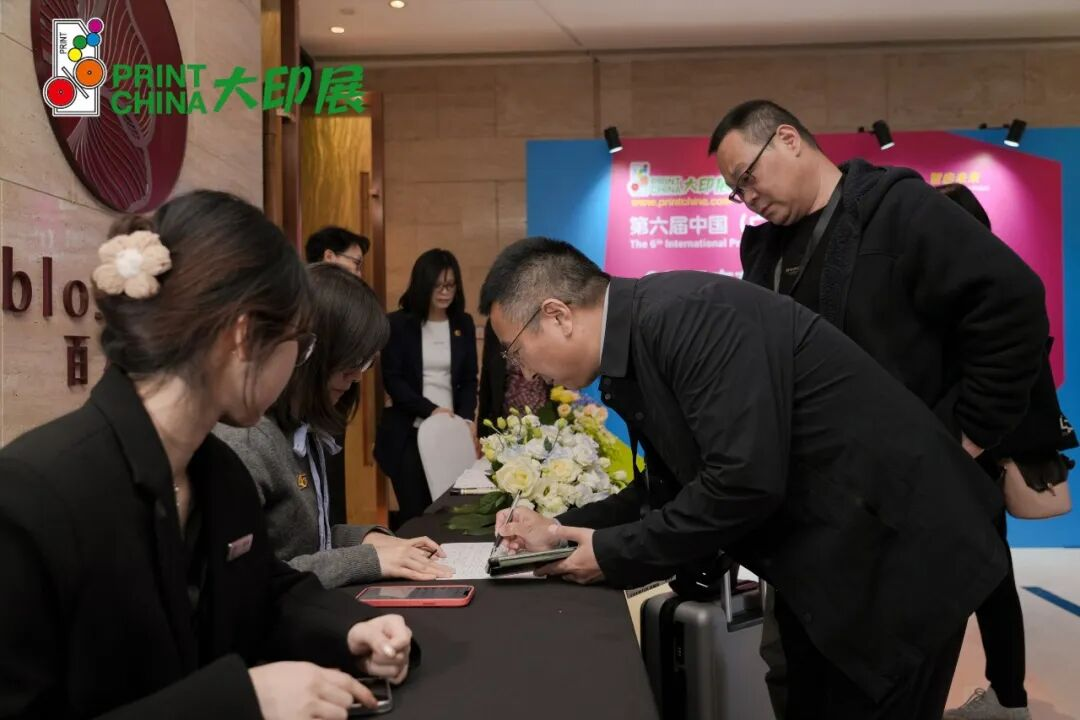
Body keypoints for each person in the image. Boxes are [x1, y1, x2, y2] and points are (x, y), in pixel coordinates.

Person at [483, 237, 1010, 720]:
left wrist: (609, 552)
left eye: (514, 351)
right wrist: (558, 529)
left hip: (899, 554)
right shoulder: (642, 338)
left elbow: (741, 483)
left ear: (557, 315)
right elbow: (668, 487)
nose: (523, 372)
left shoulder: (689, 316)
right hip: (833, 560)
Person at [0, 191, 414, 719]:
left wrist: (350, 635)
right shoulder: (32, 496)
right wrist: (242, 700)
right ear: (244, 336)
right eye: (298, 343)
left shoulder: (220, 474)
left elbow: (264, 597)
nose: (298, 363)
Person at [708, 100, 1050, 719]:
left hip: (908, 525)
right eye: (736, 191)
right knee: (799, 685)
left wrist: (961, 440)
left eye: (748, 177)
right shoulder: (764, 252)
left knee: (884, 695)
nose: (747, 197)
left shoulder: (900, 211)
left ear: (788, 139)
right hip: (815, 530)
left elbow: (1015, 304)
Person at [215, 263, 454, 587]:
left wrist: (370, 539)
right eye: (351, 361)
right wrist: (368, 559)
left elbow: (312, 539)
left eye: (365, 363)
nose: (356, 376)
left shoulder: (302, 429)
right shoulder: (246, 443)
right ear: (307, 351)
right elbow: (256, 579)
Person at [938, 183, 1077, 720]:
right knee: (991, 578)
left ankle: (1005, 698)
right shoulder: (999, 283)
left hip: (974, 459)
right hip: (982, 458)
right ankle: (1008, 697)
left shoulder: (977, 294)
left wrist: (969, 444)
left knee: (973, 580)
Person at [374, 249, 478, 529]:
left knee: (453, 512)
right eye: (438, 285)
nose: (445, 292)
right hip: (408, 432)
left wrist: (466, 419)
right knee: (416, 514)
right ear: (423, 285)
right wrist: (431, 410)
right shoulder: (398, 324)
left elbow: (470, 379)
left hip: (451, 432)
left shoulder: (463, 323)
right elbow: (393, 380)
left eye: (451, 285)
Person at [478, 319, 553, 436]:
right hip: (506, 416)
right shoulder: (497, 320)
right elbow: (487, 377)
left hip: (543, 414)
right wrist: (481, 431)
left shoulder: (547, 320)